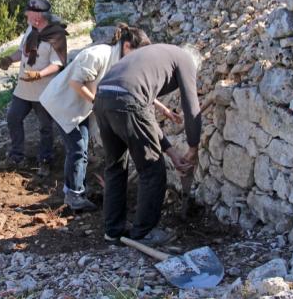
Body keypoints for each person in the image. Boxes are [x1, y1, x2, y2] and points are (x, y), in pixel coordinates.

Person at [94, 43, 202, 246]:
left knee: (115, 166)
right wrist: (193, 146)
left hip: (102, 98)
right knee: (152, 169)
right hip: (126, 99)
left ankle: (113, 231)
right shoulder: (186, 60)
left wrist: (171, 152)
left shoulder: (155, 58)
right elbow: (191, 108)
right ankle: (144, 233)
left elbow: (144, 116)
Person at [40, 24, 154, 212]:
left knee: (80, 148)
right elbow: (75, 83)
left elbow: (133, 87)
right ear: (127, 46)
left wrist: (162, 108)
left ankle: (74, 189)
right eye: (137, 53)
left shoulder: (121, 61)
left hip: (80, 108)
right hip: (63, 104)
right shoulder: (98, 55)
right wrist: (98, 104)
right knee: (77, 148)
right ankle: (75, 195)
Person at [0, 0, 67, 177]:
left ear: (37, 16)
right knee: (13, 118)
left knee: (45, 127)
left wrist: (38, 74)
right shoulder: (31, 29)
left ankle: (45, 161)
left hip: (44, 90)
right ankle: (16, 156)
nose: (26, 16)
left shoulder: (56, 35)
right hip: (23, 88)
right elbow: (23, 52)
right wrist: (9, 59)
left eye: (29, 13)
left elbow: (57, 64)